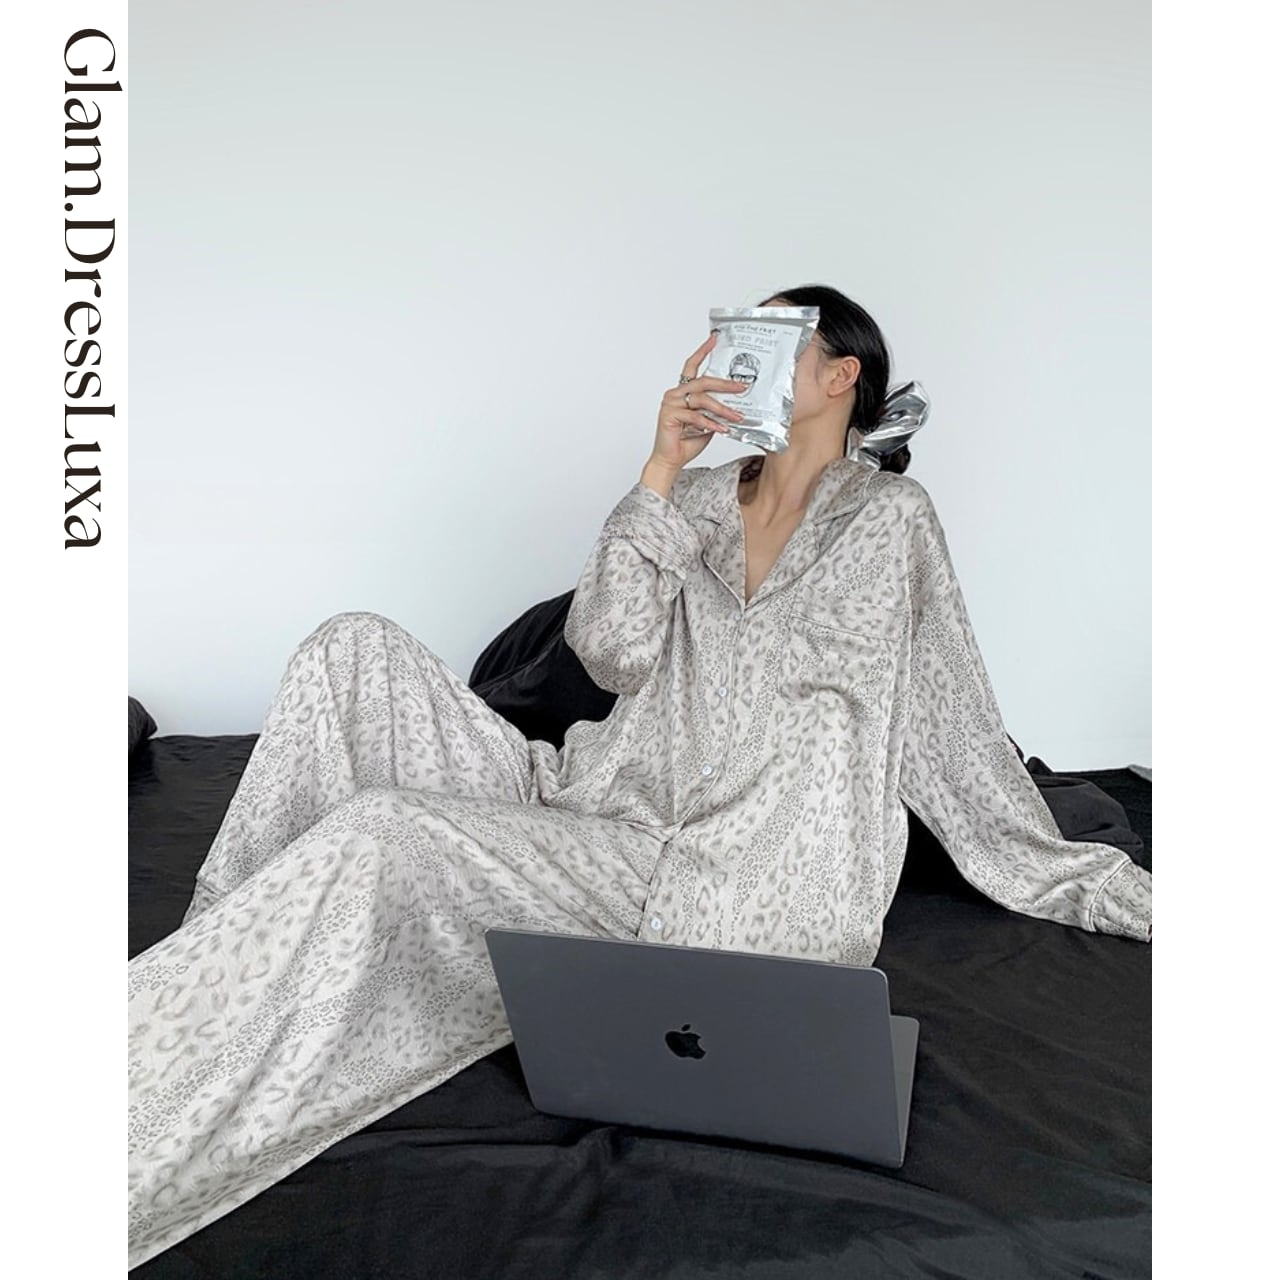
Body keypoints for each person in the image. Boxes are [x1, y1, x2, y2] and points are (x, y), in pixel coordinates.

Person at [127, 283, 1152, 1269]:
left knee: (385, 829)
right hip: (593, 799)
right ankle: (225, 951)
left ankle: (157, 1071)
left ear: (841, 374)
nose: (742, 356)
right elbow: (610, 652)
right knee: (349, 647)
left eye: (777, 340)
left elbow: (947, 719)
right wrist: (662, 466)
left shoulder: (892, 519)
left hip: (731, 875)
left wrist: (1082, 877)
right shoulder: (696, 500)